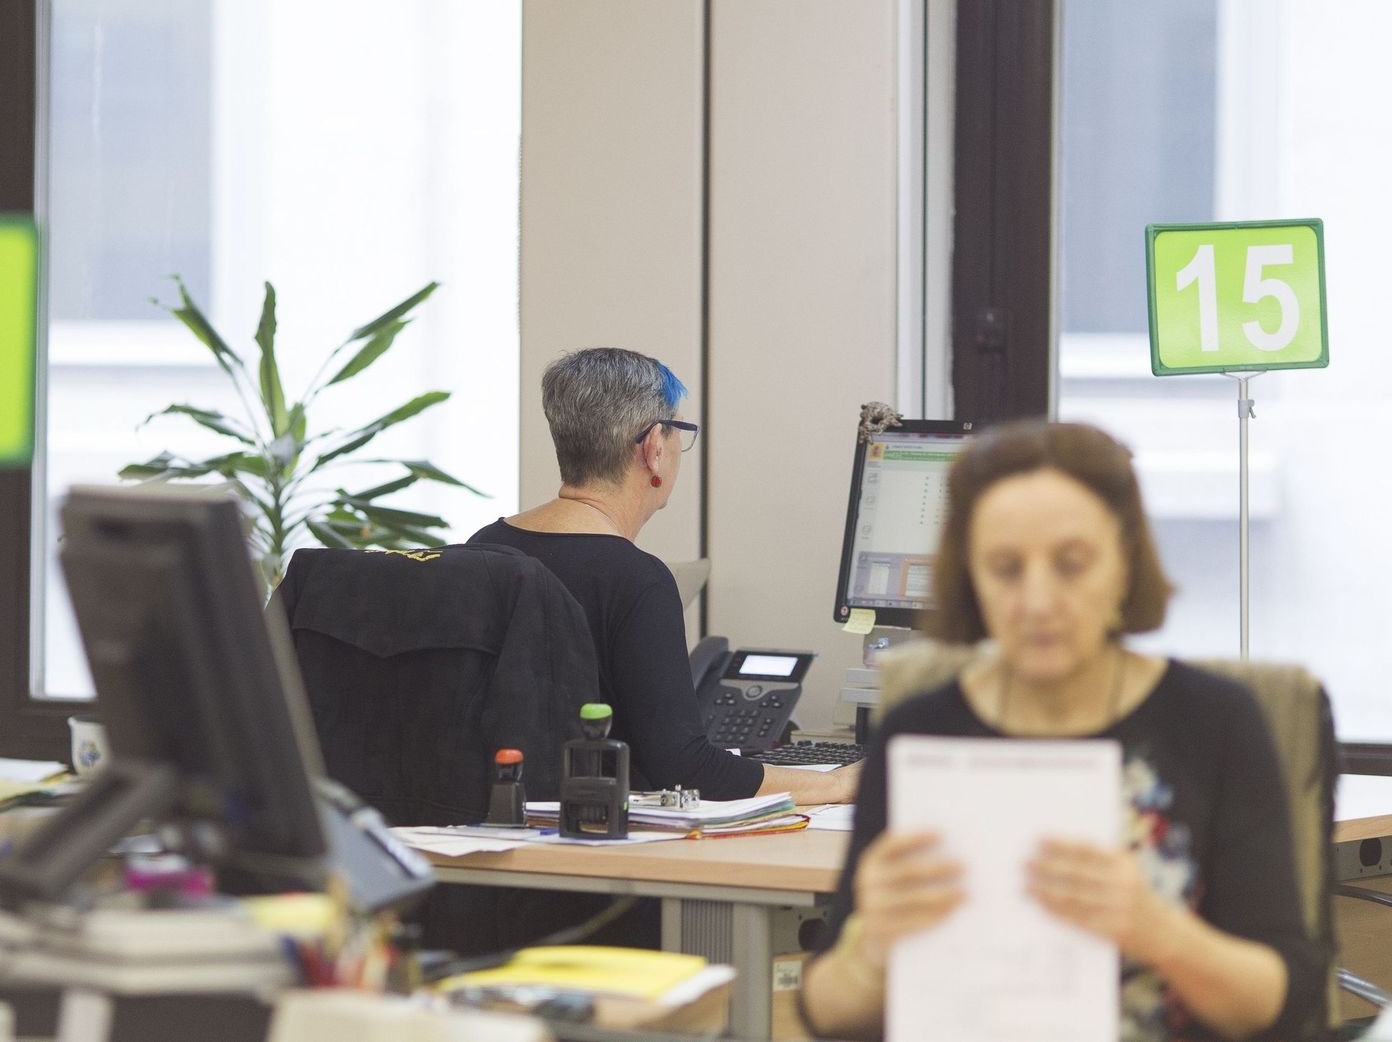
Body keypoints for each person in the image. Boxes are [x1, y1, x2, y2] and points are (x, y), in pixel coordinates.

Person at [798, 420, 1324, 1041]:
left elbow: (1283, 999)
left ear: (1125, 562)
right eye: (1005, 568)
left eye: (1072, 565)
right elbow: (825, 1011)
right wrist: (872, 952)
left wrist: (1159, 932)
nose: (1038, 600)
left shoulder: (1216, 722)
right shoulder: (924, 730)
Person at [471, 347, 855, 806]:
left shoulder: (482, 548)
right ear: (654, 448)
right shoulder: (636, 579)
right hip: (592, 847)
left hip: (492, 829)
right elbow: (686, 768)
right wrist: (837, 784)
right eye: (678, 433)